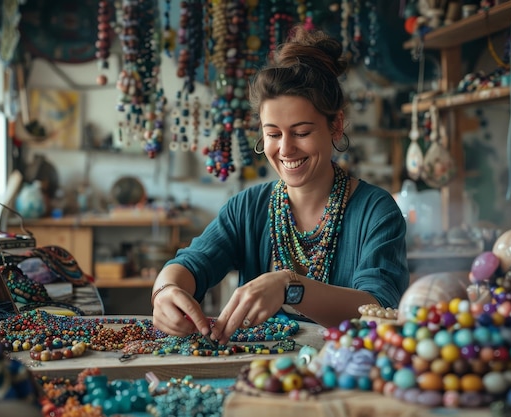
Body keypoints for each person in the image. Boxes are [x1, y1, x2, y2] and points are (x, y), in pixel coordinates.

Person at [152, 24, 409, 345]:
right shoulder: (247, 208)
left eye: (301, 132)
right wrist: (166, 291)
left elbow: (379, 309)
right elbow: (191, 263)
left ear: (336, 124)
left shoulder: (376, 211)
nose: (285, 149)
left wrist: (290, 286)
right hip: (262, 377)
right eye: (273, 134)